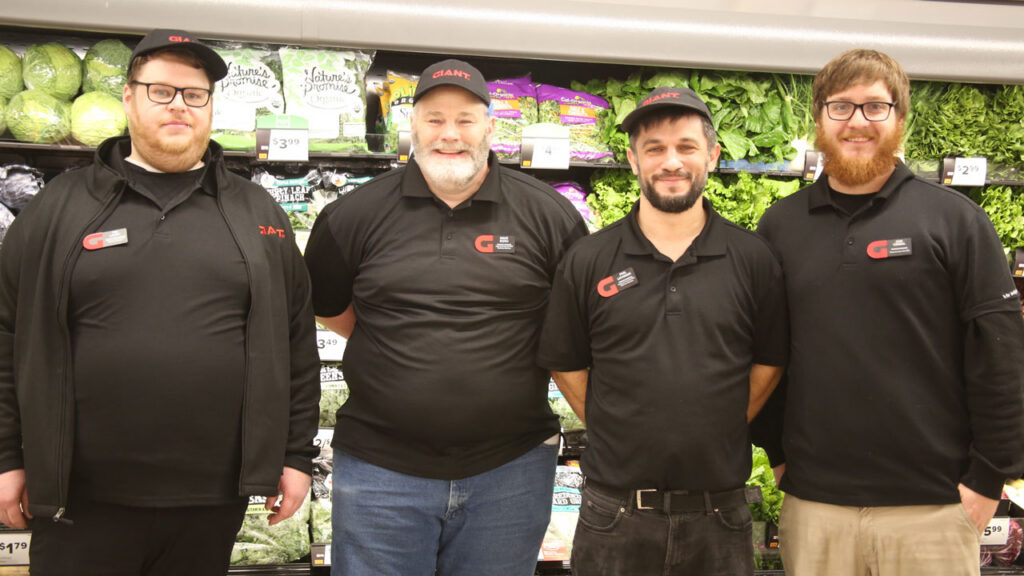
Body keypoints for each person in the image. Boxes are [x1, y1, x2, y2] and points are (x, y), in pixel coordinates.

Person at [0, 29, 321, 575]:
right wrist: (7, 455)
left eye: (194, 94)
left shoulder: (256, 208)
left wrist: (295, 455)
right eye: (160, 91)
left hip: (212, 498)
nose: (179, 106)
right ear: (128, 97)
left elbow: (294, 338)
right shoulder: (59, 206)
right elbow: (7, 333)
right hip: (80, 498)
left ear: (211, 107)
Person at [303, 58, 588, 576]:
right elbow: (332, 309)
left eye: (465, 120)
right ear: (412, 126)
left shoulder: (550, 216)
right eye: (434, 119)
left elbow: (574, 326)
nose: (449, 134)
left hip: (512, 467)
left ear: (491, 128)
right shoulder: (353, 216)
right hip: (379, 469)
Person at [755, 48, 1024, 576]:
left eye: (875, 107)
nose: (858, 122)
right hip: (815, 508)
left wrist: (988, 478)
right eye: (841, 107)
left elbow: (1001, 355)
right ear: (819, 119)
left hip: (933, 509)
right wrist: (776, 453)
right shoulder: (780, 227)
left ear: (900, 119)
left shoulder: (955, 220)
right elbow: (766, 351)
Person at [536, 86, 788, 576]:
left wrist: (724, 420)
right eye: (655, 149)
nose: (671, 162)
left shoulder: (754, 259)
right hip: (614, 514)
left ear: (712, 156)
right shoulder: (588, 259)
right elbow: (566, 362)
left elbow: (770, 359)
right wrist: (617, 423)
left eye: (686, 147)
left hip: (721, 514)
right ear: (633, 160)